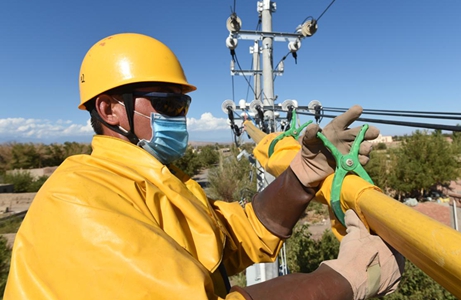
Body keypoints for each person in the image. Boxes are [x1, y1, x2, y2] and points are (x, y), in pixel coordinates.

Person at [4, 33, 404, 299]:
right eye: (167, 105)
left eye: (183, 106)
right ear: (109, 109)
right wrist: (346, 278)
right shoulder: (78, 203)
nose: (179, 118)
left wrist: (303, 173)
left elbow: (235, 234)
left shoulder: (156, 182)